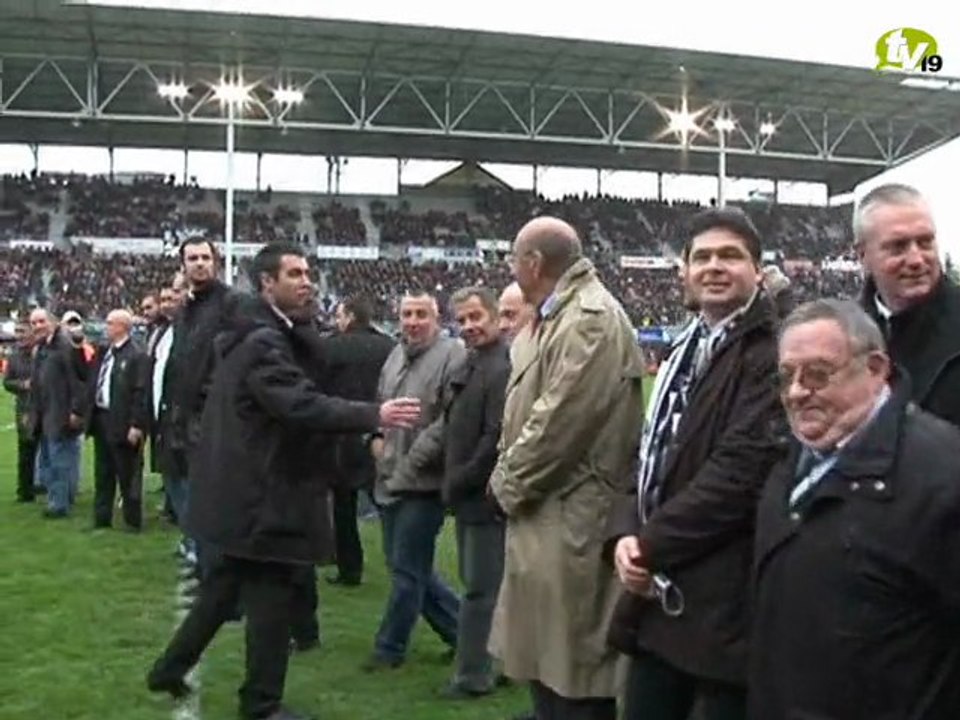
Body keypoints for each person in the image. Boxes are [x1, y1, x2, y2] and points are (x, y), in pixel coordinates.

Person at [147, 242, 421, 720]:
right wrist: (373, 414)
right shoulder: (261, 340)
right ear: (266, 283)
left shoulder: (268, 332)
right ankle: (261, 705)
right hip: (265, 492)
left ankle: (170, 668)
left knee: (224, 588)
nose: (306, 280)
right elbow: (297, 404)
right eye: (294, 273)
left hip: (249, 488)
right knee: (272, 601)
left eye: (308, 272)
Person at [606, 207, 785, 720]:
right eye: (701, 256)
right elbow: (647, 453)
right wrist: (623, 530)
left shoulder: (771, 352)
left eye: (730, 256)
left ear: (757, 270)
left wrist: (647, 544)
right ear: (683, 269)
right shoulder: (687, 345)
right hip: (661, 590)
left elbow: (739, 474)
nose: (714, 266)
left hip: (724, 598)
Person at [751, 298, 960, 720]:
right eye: (786, 376)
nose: (795, 392)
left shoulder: (944, 472)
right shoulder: (787, 462)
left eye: (817, 375)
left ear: (876, 369)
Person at [489, 217, 645, 720]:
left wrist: (504, 486)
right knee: (548, 666)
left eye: (514, 260)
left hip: (573, 517)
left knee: (576, 672)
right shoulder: (558, 315)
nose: (512, 270)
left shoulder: (590, 318)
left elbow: (557, 424)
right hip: (549, 514)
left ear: (533, 263)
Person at [415, 286, 511, 698]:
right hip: (468, 493)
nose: (470, 326)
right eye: (464, 319)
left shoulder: (501, 367)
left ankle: (473, 677)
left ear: (493, 317)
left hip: (484, 497)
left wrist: (461, 479)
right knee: (483, 587)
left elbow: (495, 436)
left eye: (477, 317)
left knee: (479, 591)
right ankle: (500, 665)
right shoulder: (474, 363)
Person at [365, 289, 466, 671]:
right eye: (407, 314)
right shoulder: (394, 354)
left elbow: (450, 417)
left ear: (436, 317)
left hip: (425, 482)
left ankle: (389, 648)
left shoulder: (453, 355)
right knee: (409, 567)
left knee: (407, 570)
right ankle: (464, 634)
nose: (413, 321)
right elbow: (379, 403)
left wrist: (416, 458)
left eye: (421, 314)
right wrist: (373, 438)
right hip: (389, 476)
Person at [855, 183, 960, 428]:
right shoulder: (844, 335)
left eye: (925, 243)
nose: (916, 259)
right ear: (863, 256)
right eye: (898, 246)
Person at [320, 295, 395, 587]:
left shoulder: (332, 347)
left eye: (339, 315)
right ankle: (401, 559)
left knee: (344, 507)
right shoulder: (389, 347)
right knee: (386, 503)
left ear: (349, 316)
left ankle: (350, 568)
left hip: (342, 434)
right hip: (380, 430)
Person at [87, 309, 149, 531]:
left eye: (110, 323)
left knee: (127, 473)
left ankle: (132, 521)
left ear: (123, 326)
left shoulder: (136, 355)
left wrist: (136, 424)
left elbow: (141, 392)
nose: (106, 327)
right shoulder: (106, 352)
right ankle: (101, 519)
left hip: (123, 421)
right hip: (102, 417)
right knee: (103, 472)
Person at [29, 308, 87, 519]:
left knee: (60, 461)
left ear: (52, 322)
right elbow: (38, 384)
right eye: (33, 323)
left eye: (41, 321)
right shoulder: (43, 347)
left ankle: (59, 504)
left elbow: (79, 380)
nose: (37, 326)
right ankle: (61, 498)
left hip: (61, 413)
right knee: (55, 460)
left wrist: (76, 410)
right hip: (48, 413)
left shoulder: (65, 345)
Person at [3, 321, 36, 503]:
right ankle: (25, 490)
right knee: (26, 450)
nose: (19, 335)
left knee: (49, 451)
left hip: (46, 407)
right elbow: (7, 382)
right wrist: (22, 385)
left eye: (23, 331)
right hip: (25, 407)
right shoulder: (14, 356)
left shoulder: (42, 352)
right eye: (17, 331)